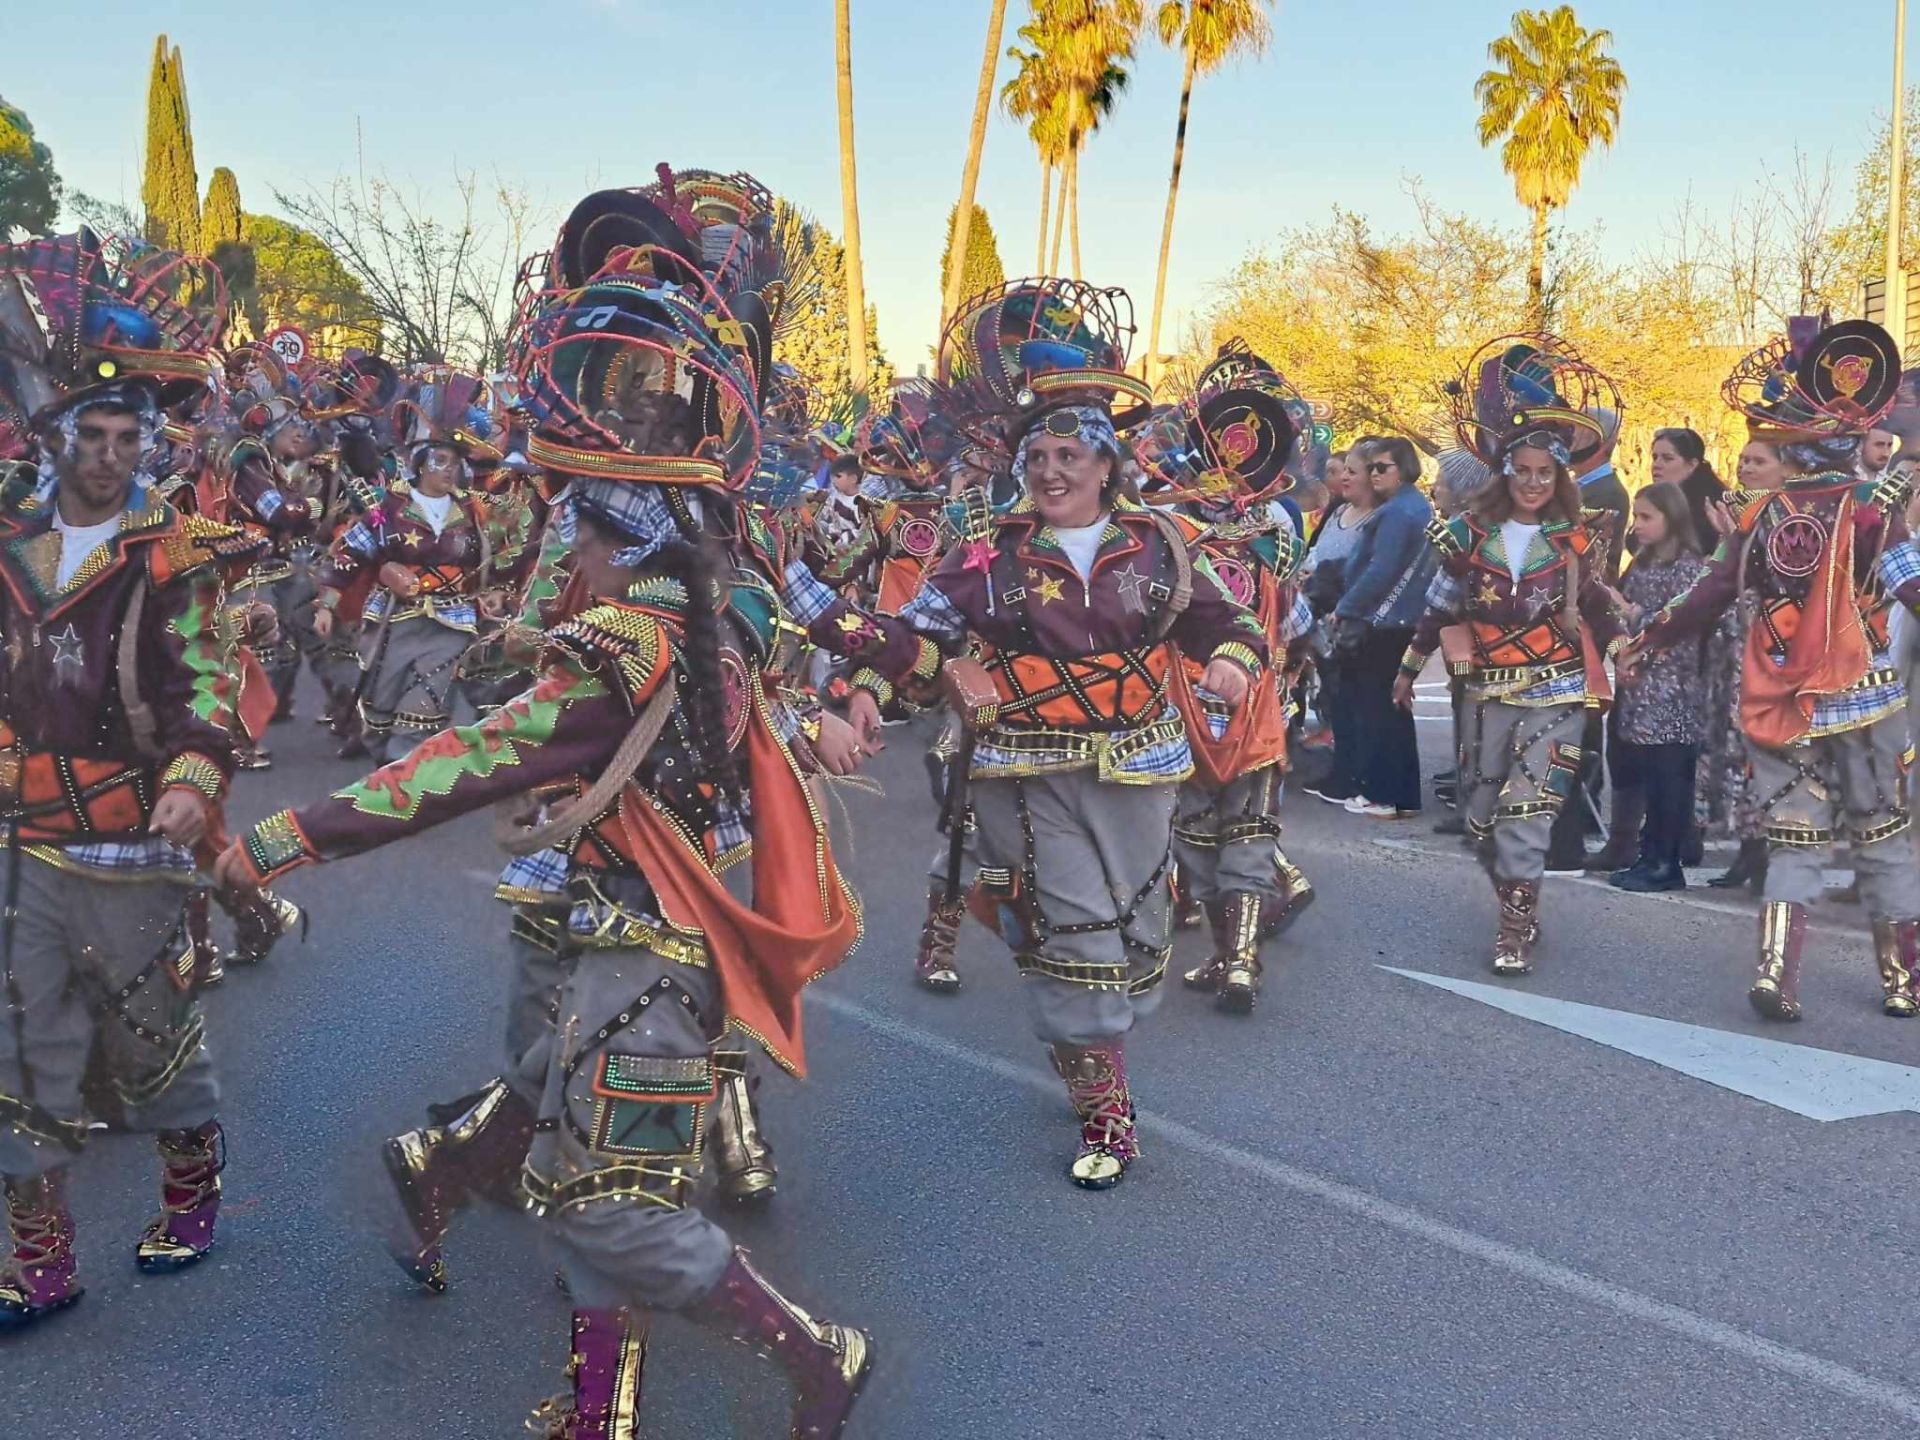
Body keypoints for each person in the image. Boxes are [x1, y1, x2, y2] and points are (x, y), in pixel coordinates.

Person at [219, 259, 874, 1438]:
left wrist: (282, 836)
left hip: (646, 969)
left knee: (609, 1204)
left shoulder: (622, 647)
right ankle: (586, 1402)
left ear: (610, 545)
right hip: (626, 943)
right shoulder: (702, 623)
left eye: (573, 537)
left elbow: (459, 763)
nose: (560, 560)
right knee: (563, 1147)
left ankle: (817, 1356)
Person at [846, 277, 1269, 1187]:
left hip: (1143, 767)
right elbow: (913, 627)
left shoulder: (1160, 544)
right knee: (1075, 937)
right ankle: (1107, 1109)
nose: (1051, 471)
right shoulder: (986, 554)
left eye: (1071, 455)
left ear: (1108, 465)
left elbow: (1225, 620)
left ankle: (1086, 1019)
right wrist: (864, 684)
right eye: (1038, 455)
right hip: (1023, 771)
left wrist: (1232, 660)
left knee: (1140, 939)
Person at [0, 231, 254, 1326]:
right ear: (56, 438)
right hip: (25, 852)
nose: (106, 452)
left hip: (136, 849)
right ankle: (40, 1264)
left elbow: (210, 686)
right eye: (89, 434)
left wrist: (195, 775)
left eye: (124, 435)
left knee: (152, 1056)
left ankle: (192, 1192)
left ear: (146, 441)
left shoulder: (170, 550)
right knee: (23, 1059)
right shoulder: (11, 545)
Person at [1625, 318, 1920, 1021]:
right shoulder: (1873, 509)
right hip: (1865, 701)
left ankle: (1774, 975)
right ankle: (1902, 983)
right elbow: (1910, 586)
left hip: (1783, 703)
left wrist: (1647, 637)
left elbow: (1710, 594)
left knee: (1794, 840)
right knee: (1881, 841)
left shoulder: (1761, 515)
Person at [1393, 334, 1625, 975]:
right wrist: (1409, 668)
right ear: (1505, 472)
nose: (1530, 482)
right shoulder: (1468, 534)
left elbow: (1599, 603)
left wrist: (1628, 645)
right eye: (1521, 471)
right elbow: (1440, 606)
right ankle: (1522, 902)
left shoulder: (1576, 538)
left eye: (1543, 474)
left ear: (1559, 478)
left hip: (1556, 689)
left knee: (1528, 812)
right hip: (1489, 691)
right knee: (1482, 821)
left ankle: (1514, 930)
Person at [313, 374, 506, 764]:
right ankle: (386, 763)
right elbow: (350, 554)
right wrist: (326, 604)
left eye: (455, 463)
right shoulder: (389, 510)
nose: (449, 470)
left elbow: (496, 559)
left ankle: (406, 781)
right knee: (380, 707)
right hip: (393, 620)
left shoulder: (473, 510)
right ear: (419, 464)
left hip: (452, 622)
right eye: (440, 461)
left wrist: (497, 591)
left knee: (425, 707)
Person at [1599, 483, 1707, 891]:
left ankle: (1667, 859)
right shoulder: (1643, 563)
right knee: (1649, 773)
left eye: (1647, 517)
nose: (1638, 526)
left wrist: (1632, 613)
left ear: (1672, 518)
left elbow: (1680, 626)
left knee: (1669, 777)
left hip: (1673, 688)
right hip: (1642, 687)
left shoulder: (1688, 568)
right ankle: (1649, 854)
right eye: (1637, 517)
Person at [1699, 439, 1788, 891]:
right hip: (1732, 646)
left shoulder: (1789, 517)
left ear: (1784, 468)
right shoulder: (1739, 512)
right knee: (1732, 748)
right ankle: (1749, 849)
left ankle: (1771, 850)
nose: (1747, 467)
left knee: (1762, 748)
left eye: (1760, 461)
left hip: (1770, 648)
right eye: (1745, 460)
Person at [1332, 436, 1434, 818]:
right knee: (1394, 707)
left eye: (1382, 467)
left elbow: (1380, 569)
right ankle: (1403, 797)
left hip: (1385, 620)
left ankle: (1382, 794)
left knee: (1378, 709)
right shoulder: (1414, 506)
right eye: (1371, 467)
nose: (1374, 474)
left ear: (1404, 469)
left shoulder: (1397, 513)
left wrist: (1346, 606)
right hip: (1401, 619)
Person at [1299, 449, 1377, 804]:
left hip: (1354, 617)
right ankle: (1342, 768)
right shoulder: (1339, 511)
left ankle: (1359, 775)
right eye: (1341, 471)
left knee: (1358, 699)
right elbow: (1317, 550)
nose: (1344, 477)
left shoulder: (1378, 517)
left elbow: (1370, 568)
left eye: (1352, 471)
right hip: (1323, 612)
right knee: (1337, 692)